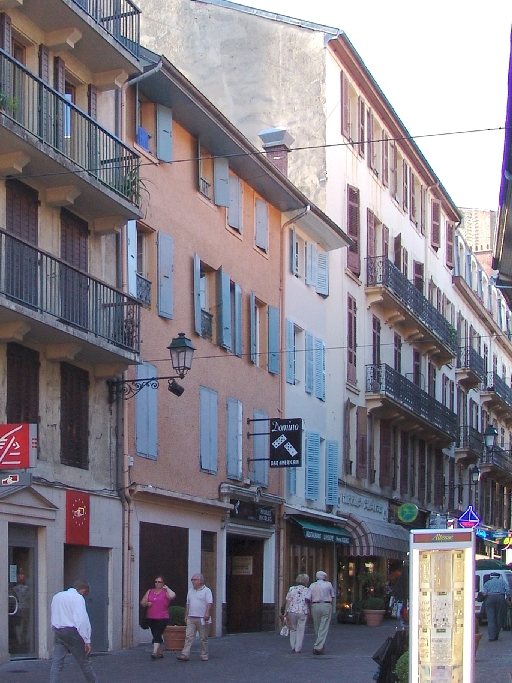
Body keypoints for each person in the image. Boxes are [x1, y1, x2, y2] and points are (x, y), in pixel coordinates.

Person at [49, 579, 98, 683]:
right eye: (86, 593)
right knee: (84, 662)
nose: (85, 595)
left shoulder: (57, 596)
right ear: (83, 590)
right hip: (72, 632)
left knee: (57, 663)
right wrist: (87, 640)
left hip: (59, 630)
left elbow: (54, 613)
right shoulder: (78, 598)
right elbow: (81, 620)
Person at [177, 573, 213, 662]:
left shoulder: (206, 591)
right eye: (192, 580)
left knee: (203, 638)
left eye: (195, 580)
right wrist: (186, 615)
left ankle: (204, 654)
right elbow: (188, 603)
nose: (193, 581)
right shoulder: (190, 591)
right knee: (189, 636)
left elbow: (209, 602)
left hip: (202, 618)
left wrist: (207, 613)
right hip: (191, 617)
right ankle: (185, 654)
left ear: (200, 581)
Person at [140, 575, 176, 659]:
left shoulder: (166, 592)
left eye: (159, 582)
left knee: (157, 633)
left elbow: (172, 596)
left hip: (163, 617)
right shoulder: (150, 591)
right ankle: (160, 652)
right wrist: (147, 603)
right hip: (151, 616)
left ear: (163, 583)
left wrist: (167, 588)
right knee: (156, 634)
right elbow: (142, 602)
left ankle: (154, 652)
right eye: (156, 582)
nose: (157, 583)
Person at [309, 570, 335, 655]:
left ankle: (320, 645)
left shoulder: (312, 585)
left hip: (315, 605)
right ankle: (318, 646)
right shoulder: (328, 584)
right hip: (326, 605)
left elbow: (308, 597)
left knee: (317, 626)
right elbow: (333, 595)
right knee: (324, 626)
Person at [284, 573, 311, 654]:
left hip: (292, 610)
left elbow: (288, 601)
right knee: (301, 629)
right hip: (303, 611)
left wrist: (286, 611)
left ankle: (292, 645)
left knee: (293, 628)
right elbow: (309, 601)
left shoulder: (292, 589)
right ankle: (298, 648)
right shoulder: (307, 590)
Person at [482, 572, 511, 641]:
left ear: (491, 577)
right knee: (499, 617)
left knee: (491, 618)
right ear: (498, 577)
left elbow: (484, 593)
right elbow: (508, 591)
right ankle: (496, 635)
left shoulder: (488, 583)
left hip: (490, 598)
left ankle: (491, 637)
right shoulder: (502, 582)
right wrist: (507, 599)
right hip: (500, 598)